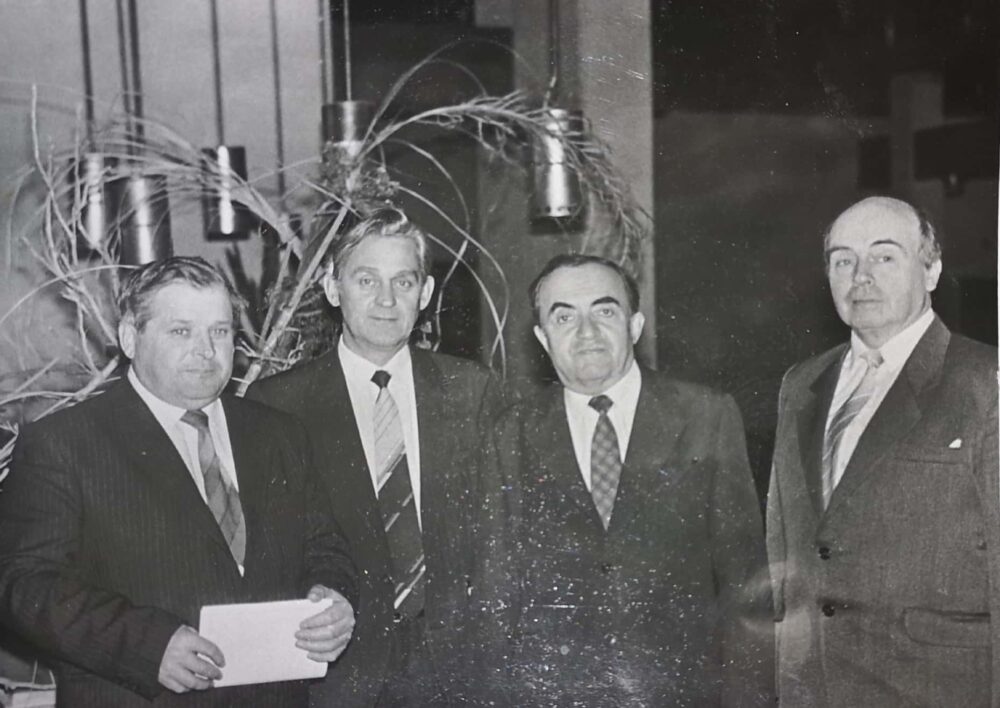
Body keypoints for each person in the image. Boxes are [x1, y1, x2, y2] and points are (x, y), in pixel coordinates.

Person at [0, 257, 358, 708]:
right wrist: (146, 646)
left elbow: (325, 548)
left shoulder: (279, 434)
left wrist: (333, 597)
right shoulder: (65, 443)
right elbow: (24, 585)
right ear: (130, 338)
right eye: (181, 331)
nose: (205, 351)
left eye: (219, 331)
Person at [473, 253, 773, 706]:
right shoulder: (510, 435)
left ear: (635, 326)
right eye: (564, 317)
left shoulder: (705, 415)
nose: (586, 332)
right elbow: (497, 592)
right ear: (542, 337)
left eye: (604, 311)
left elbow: (744, 584)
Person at [247, 208, 503, 706]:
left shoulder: (473, 392)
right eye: (366, 280)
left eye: (403, 282)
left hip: (458, 673)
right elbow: (267, 551)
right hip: (339, 676)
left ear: (425, 294)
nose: (386, 299)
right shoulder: (278, 404)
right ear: (332, 288)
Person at [767, 196, 999, 706]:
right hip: (816, 687)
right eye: (843, 260)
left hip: (936, 686)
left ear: (931, 270)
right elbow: (786, 552)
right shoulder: (802, 384)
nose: (861, 276)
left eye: (884, 256)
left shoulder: (985, 383)